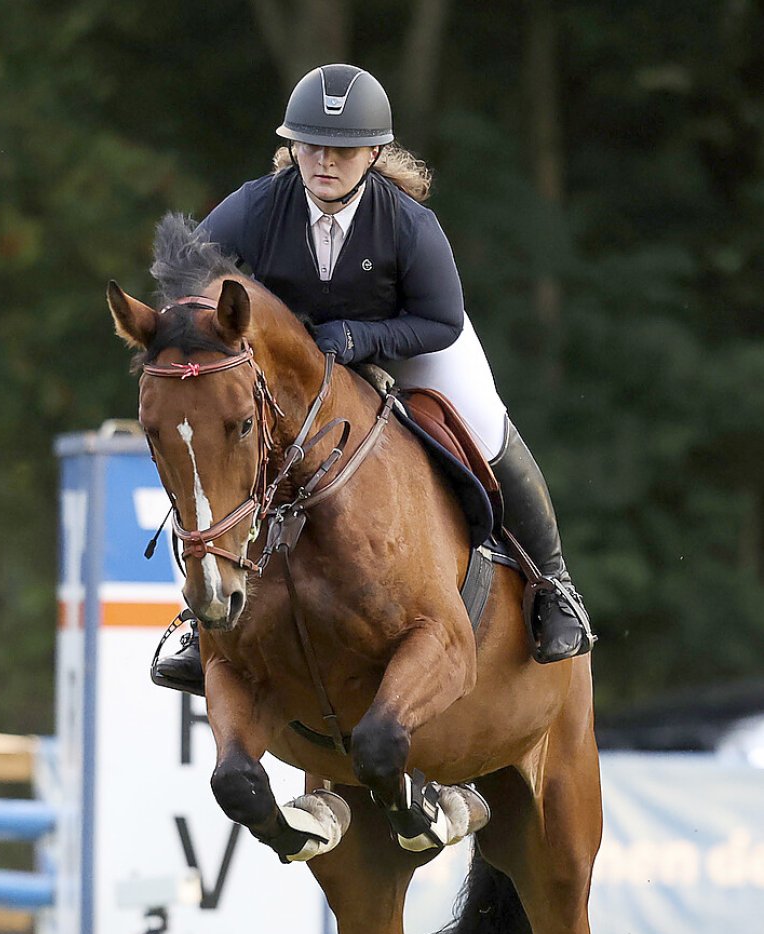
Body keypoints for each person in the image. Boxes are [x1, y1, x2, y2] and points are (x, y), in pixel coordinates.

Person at [151, 63, 592, 696]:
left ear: (373, 153)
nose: (323, 161)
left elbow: (439, 319)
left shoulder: (408, 225)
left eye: (342, 149)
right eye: (310, 145)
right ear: (292, 146)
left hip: (406, 338)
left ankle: (553, 585)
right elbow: (186, 275)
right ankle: (206, 622)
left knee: (484, 422)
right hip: (303, 358)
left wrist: (364, 339)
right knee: (228, 442)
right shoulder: (256, 205)